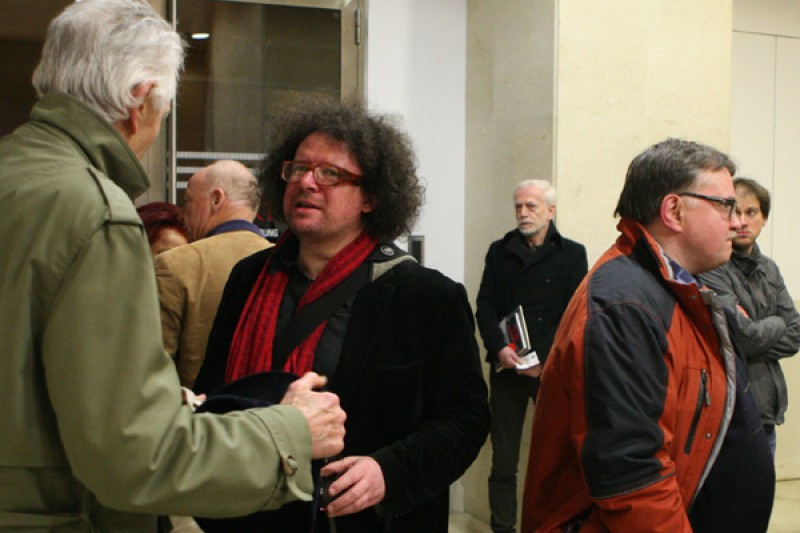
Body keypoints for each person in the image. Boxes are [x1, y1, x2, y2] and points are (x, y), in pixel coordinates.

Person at [0, 1, 345, 530]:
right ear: (140, 101)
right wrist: (290, 432)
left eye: (333, 175)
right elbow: (136, 455)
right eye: (299, 170)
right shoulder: (97, 214)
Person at [194, 100, 491, 532]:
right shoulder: (248, 278)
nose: (307, 183)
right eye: (298, 168)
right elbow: (213, 390)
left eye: (330, 174)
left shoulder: (425, 296)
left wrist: (387, 472)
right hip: (247, 516)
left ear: (371, 196)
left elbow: (465, 420)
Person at [520, 139, 775, 533]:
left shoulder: (670, 288)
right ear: (674, 210)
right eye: (725, 205)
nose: (737, 222)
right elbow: (632, 477)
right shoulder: (625, 304)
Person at [475, 179, 587, 533]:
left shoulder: (572, 253)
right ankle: (502, 528)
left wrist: (547, 360)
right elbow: (485, 305)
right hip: (507, 368)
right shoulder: (500, 250)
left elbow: (577, 314)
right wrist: (499, 349)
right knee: (504, 460)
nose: (523, 213)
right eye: (518, 207)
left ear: (550, 211)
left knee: (559, 456)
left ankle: (553, 525)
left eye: (531, 206)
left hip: (551, 371)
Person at [698, 177, 800, 457]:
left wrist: (759, 332)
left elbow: (795, 335)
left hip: (766, 409)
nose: (742, 221)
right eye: (735, 212)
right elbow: (741, 336)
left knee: (762, 499)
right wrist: (776, 324)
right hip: (729, 412)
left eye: (751, 212)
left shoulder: (770, 269)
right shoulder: (711, 267)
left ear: (764, 218)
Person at [156, 160, 272, 388]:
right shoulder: (282, 264)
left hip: (198, 416)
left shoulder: (175, 265)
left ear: (216, 199)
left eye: (188, 201)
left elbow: (155, 366)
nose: (181, 214)